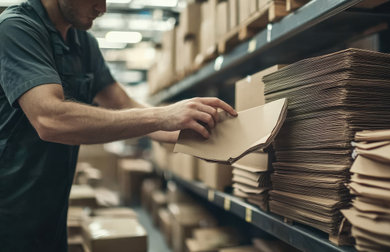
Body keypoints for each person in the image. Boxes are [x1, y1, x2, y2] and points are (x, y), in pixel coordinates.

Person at [0, 0, 237, 251]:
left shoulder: (82, 42)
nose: (102, 8)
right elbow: (50, 119)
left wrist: (191, 129)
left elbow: (121, 103)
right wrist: (162, 116)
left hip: (50, 213)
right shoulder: (16, 30)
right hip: (8, 212)